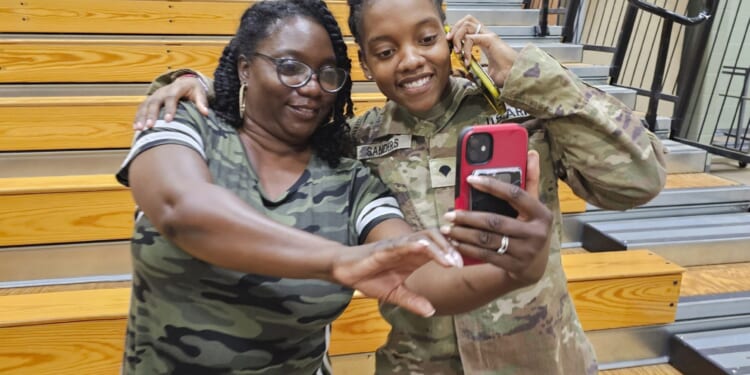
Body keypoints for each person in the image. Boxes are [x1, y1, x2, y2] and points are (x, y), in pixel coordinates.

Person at [133, 0, 668, 373]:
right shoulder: (358, 141)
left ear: (448, 33)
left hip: (540, 361)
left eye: (427, 38)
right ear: (364, 63)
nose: (411, 59)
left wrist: (532, 73)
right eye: (385, 51)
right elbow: (279, 98)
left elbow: (638, 181)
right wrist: (193, 81)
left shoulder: (521, 112)